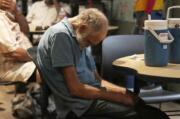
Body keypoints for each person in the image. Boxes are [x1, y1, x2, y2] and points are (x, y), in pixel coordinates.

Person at [37, 8, 169, 119]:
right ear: (82, 27)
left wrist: (123, 92)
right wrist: (116, 97)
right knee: (154, 116)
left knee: (139, 103)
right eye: (89, 42)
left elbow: (98, 80)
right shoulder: (61, 36)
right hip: (78, 106)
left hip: (90, 95)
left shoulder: (81, 35)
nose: (89, 45)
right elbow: (75, 89)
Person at [0, 0, 38, 82]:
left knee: (59, 63)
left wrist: (16, 12)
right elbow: (15, 54)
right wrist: (40, 58)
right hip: (14, 67)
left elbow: (25, 32)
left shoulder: (5, 13)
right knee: (55, 70)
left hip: (24, 59)